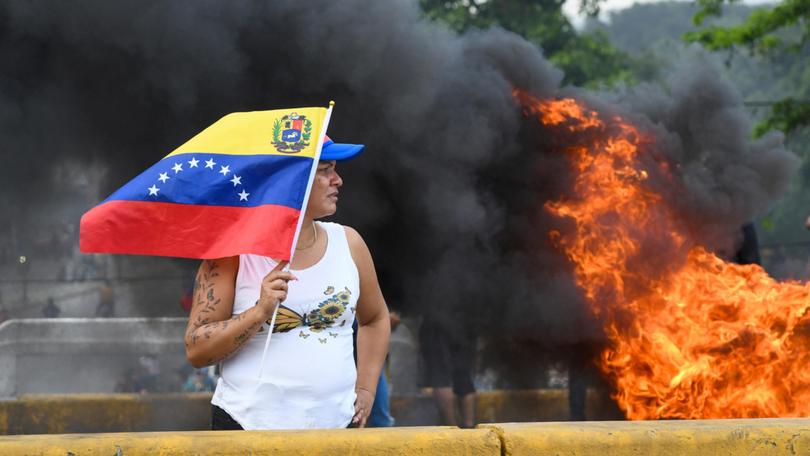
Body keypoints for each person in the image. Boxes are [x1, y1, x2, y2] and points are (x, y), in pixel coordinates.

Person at [184, 136, 390, 430]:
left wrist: (367, 389)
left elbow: (375, 318)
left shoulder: (349, 243)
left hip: (338, 431)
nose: (338, 180)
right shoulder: (230, 255)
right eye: (325, 170)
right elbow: (196, 350)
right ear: (290, 180)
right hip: (246, 431)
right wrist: (259, 311)